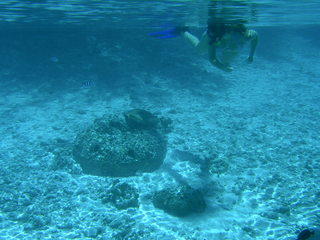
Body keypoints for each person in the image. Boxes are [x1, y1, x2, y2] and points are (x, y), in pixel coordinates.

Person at [177, 0, 258, 72]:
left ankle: (226, 62)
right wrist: (221, 67)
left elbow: (256, 37)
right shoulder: (216, 37)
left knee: (226, 61)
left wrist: (251, 55)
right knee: (200, 50)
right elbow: (212, 58)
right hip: (214, 35)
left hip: (227, 41)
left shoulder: (244, 35)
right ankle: (183, 31)